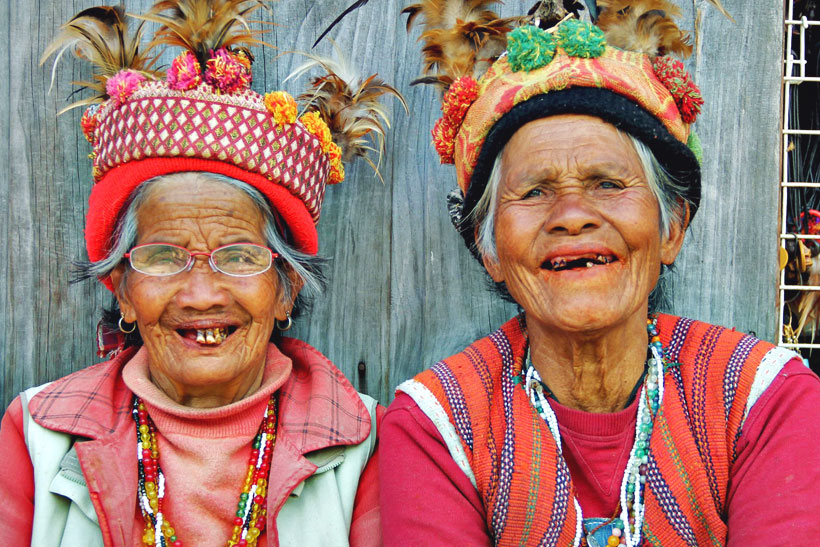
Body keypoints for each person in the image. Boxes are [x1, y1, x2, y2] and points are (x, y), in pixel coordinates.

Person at [379, 1, 820, 545]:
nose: (571, 216)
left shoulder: (763, 399)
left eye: (608, 184)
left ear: (672, 228)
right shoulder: (439, 427)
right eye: (534, 191)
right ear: (488, 248)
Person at [0, 1, 400, 545]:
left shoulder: (366, 443)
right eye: (163, 257)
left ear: (287, 289)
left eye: (239, 256)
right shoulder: (36, 436)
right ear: (121, 290)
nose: (202, 294)